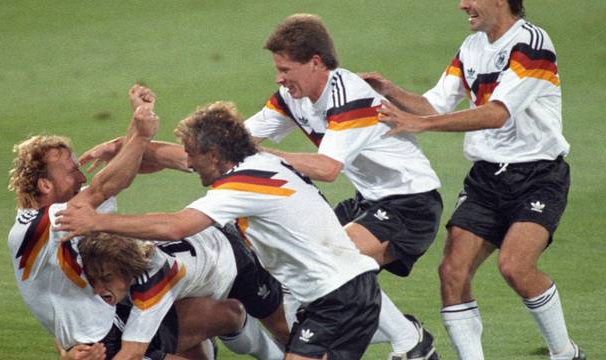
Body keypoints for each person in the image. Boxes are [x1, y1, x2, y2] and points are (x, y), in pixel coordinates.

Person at [56, 101, 389, 360]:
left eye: (193, 154)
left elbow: (177, 226)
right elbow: (172, 158)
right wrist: (127, 144)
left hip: (336, 295)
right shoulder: (257, 162)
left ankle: (405, 335)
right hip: (339, 292)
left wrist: (96, 221)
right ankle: (405, 334)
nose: (188, 161)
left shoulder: (239, 186)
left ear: (213, 154)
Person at [372, 1, 584, 359]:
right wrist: (390, 90)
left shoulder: (531, 44)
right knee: (452, 272)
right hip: (487, 178)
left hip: (537, 175)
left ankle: (565, 353)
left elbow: (497, 113)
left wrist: (421, 125)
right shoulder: (472, 47)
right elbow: (435, 104)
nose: (462, 4)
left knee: (515, 266)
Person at [6, 87, 258, 360]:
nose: (81, 178)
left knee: (226, 313)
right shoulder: (35, 227)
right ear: (45, 184)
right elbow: (103, 187)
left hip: (117, 317)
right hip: (101, 347)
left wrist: (136, 123)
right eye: (72, 171)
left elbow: (113, 182)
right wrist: (140, 133)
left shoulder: (68, 213)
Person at [244, 13, 442, 359]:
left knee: (336, 260)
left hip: (411, 201)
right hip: (368, 200)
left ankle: (409, 341)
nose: (279, 78)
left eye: (286, 69)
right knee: (303, 268)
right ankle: (407, 337)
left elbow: (327, 167)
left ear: (316, 62)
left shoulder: (349, 96)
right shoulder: (292, 97)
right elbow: (239, 137)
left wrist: (266, 156)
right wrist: (146, 147)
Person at [77, 226, 287, 360]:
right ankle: (207, 343)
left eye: (106, 279)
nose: (97, 289)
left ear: (128, 271)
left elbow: (132, 353)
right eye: (93, 279)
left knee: (282, 330)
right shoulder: (105, 267)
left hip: (232, 258)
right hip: (190, 284)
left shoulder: (153, 282)